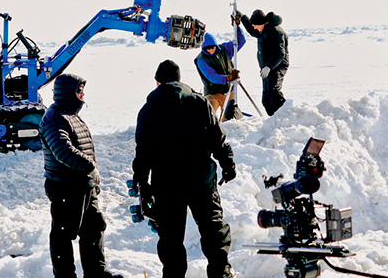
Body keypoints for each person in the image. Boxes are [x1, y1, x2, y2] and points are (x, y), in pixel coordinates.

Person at [132, 60, 237, 278]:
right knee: (212, 226)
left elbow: (143, 152)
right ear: (179, 79)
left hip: (167, 182)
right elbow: (218, 139)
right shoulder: (200, 102)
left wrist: (141, 182)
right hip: (201, 178)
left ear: (158, 82)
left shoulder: (149, 109)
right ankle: (221, 271)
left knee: (170, 237)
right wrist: (228, 165)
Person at [40, 73, 123, 278]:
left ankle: (96, 272)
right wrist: (89, 166)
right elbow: (63, 151)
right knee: (63, 235)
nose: (82, 95)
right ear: (67, 92)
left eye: (82, 90)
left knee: (94, 228)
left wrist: (92, 177)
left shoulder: (71, 115)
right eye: (79, 91)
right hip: (65, 187)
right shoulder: (54, 118)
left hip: (84, 186)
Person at [238, 9, 289, 116]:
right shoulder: (263, 30)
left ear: (263, 23)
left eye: (256, 25)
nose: (254, 27)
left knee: (273, 93)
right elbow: (252, 30)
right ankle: (273, 120)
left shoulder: (276, 32)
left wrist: (269, 67)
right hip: (267, 67)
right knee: (266, 99)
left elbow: (280, 54)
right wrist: (242, 17)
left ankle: (287, 115)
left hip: (277, 66)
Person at [194, 30, 245, 120]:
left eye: (212, 48)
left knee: (229, 119)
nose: (210, 50)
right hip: (213, 93)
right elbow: (212, 77)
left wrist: (237, 27)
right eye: (208, 49)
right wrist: (228, 78)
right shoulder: (201, 60)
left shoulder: (224, 49)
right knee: (208, 115)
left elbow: (240, 41)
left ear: (216, 46)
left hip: (228, 91)